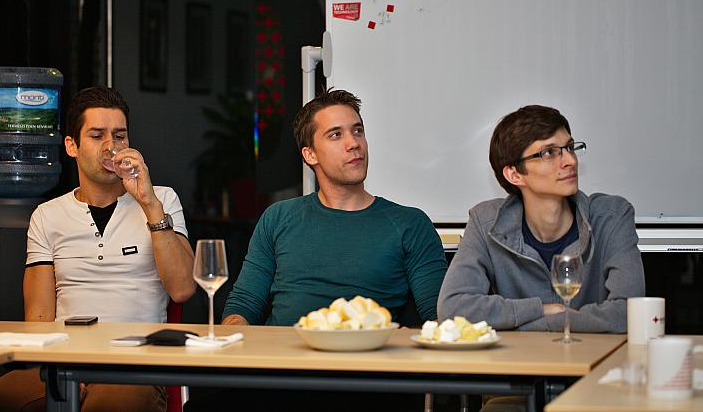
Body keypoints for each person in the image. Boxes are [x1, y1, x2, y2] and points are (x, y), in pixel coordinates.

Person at [0, 86, 195, 412]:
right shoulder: (47, 216)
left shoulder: (161, 200)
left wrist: (148, 203)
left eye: (119, 136)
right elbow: (39, 318)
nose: (111, 147)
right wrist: (59, 370)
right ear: (71, 146)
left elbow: (183, 288)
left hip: (136, 365)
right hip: (64, 362)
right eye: (97, 135)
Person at [222, 88, 448, 328]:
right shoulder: (277, 218)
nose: (354, 143)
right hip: (284, 350)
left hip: (368, 350)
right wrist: (233, 336)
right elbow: (243, 306)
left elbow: (441, 318)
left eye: (357, 131)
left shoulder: (410, 223)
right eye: (336, 135)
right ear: (310, 155)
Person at [438, 105, 645, 333]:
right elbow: (452, 308)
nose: (570, 160)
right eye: (549, 153)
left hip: (595, 355)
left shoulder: (612, 216)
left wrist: (540, 323)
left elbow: (628, 313)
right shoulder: (485, 222)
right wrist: (542, 309)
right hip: (522, 357)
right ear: (515, 174)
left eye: (569, 147)